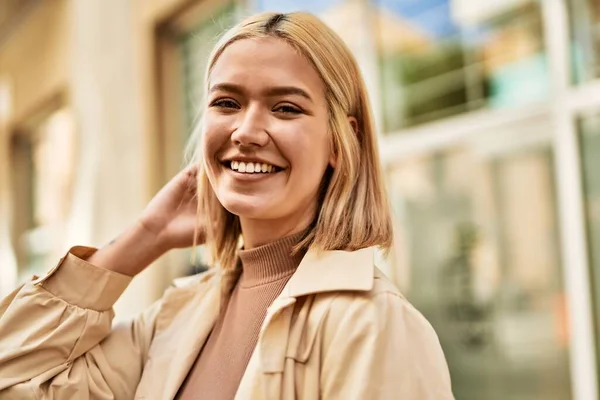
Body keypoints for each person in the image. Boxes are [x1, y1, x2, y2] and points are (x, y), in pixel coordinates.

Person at [0, 12, 453, 400]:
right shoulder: (177, 316)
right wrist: (145, 237)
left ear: (341, 140)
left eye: (286, 108)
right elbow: (15, 381)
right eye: (227, 103)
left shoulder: (372, 323)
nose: (247, 131)